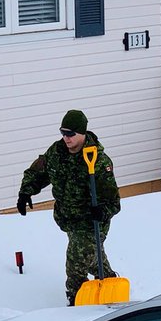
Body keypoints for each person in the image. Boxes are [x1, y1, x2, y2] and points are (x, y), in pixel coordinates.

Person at [17, 109, 122, 305]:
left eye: (71, 134)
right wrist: (25, 192)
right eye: (63, 132)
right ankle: (109, 280)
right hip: (68, 220)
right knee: (91, 255)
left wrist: (102, 211)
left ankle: (75, 303)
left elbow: (114, 202)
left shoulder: (99, 161)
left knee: (75, 262)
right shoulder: (56, 153)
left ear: (82, 133)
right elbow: (38, 172)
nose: (66, 138)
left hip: (92, 224)